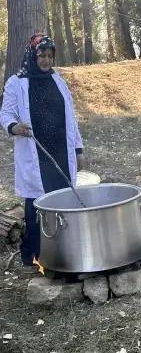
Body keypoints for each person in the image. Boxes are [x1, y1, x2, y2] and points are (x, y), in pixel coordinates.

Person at [0, 33, 86, 267]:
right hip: (35, 153)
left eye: (50, 56)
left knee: (62, 203)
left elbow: (71, 118)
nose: (47, 60)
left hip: (60, 151)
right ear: (32, 54)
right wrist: (14, 127)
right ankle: (32, 257)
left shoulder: (58, 80)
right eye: (42, 55)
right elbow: (5, 114)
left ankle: (61, 253)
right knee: (36, 207)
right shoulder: (16, 83)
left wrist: (78, 149)